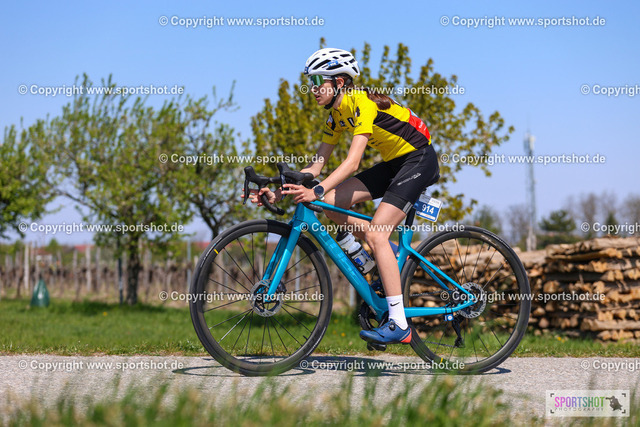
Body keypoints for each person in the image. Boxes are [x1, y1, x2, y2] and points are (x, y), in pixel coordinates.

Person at [249, 47, 440, 344]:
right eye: (310, 82)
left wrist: (317, 189)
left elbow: (352, 163)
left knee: (374, 232)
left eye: (317, 81)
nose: (312, 89)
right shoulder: (335, 116)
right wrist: (277, 192)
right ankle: (378, 256)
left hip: (419, 159)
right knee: (329, 204)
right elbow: (316, 166)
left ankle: (399, 323)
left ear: (339, 81)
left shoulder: (361, 103)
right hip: (394, 163)